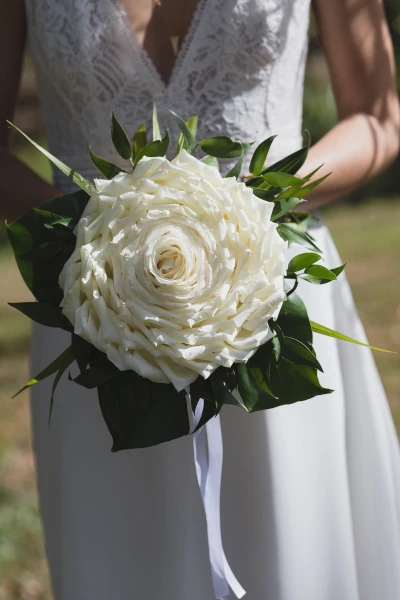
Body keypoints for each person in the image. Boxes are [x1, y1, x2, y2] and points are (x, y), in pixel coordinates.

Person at [1, 1, 400, 598]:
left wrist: (265, 200)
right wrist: (101, 239)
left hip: (275, 301)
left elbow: (378, 116)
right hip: (93, 314)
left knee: (293, 552)